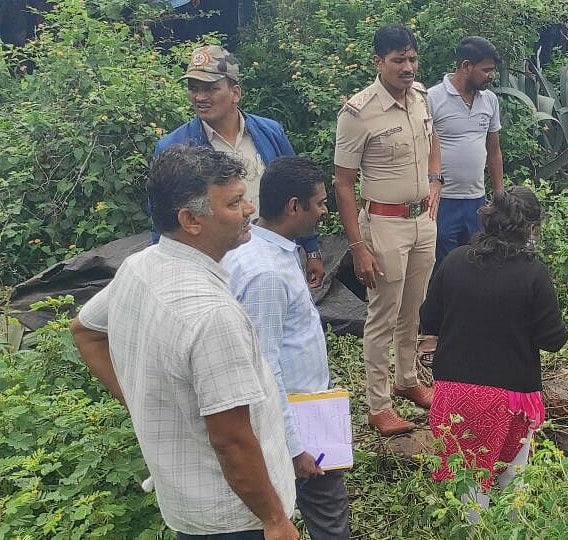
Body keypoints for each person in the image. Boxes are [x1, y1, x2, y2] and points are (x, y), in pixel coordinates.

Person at [70, 145, 298, 539]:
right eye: (234, 203)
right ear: (191, 219)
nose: (249, 211)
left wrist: (144, 404)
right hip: (237, 519)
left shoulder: (139, 267)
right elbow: (232, 441)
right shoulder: (212, 315)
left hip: (189, 507)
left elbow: (84, 331)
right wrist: (275, 521)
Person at [221, 156, 350, 539]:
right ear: (295, 206)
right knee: (327, 514)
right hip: (295, 418)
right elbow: (264, 363)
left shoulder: (270, 252)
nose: (325, 211)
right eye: (321, 202)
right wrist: (295, 446)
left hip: (302, 407)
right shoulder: (266, 275)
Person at [421, 186, 568, 518]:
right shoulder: (533, 273)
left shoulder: (455, 260)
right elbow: (553, 339)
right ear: (531, 228)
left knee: (470, 484)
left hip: (454, 395)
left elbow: (428, 320)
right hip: (511, 397)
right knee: (513, 484)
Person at [334, 23, 442, 436]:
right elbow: (342, 183)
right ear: (379, 62)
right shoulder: (358, 113)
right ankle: (378, 405)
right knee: (383, 315)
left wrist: (437, 181)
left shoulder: (422, 98)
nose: (408, 67)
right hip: (383, 225)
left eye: (412, 58)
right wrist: (358, 246)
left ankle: (408, 379)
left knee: (414, 307)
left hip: (421, 221)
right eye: (399, 60)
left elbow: (434, 141)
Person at [152, 44, 325, 287]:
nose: (200, 97)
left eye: (211, 88)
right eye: (194, 89)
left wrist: (312, 248)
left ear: (235, 92)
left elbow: (298, 190)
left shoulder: (269, 132)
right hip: (215, 267)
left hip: (275, 259)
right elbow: (162, 222)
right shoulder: (175, 148)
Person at [427, 36, 504, 266]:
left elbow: (494, 149)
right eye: (486, 70)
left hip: (475, 199)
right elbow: (421, 150)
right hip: (442, 200)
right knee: (443, 259)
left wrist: (499, 192)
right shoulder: (432, 98)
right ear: (466, 66)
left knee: (476, 257)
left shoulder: (489, 100)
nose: (491, 75)